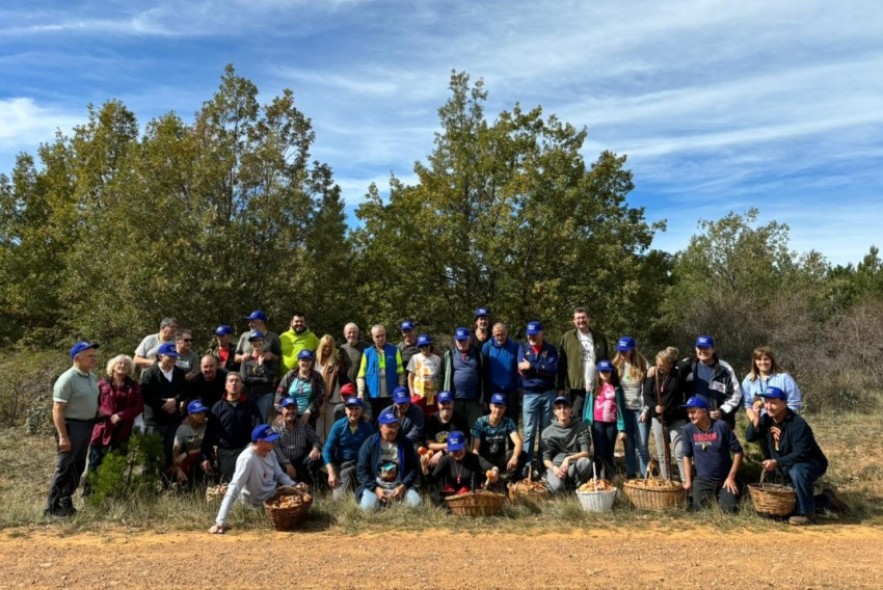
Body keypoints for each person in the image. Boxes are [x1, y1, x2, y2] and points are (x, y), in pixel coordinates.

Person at [745, 387, 844, 525]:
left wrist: (776, 462)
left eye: (773, 402)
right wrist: (756, 417)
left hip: (811, 462)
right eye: (766, 402)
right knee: (790, 508)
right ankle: (826, 500)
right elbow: (749, 437)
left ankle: (808, 515)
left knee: (797, 471)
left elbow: (801, 453)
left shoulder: (797, 424)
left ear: (784, 404)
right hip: (787, 464)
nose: (768, 406)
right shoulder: (766, 419)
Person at [209, 424, 297, 534]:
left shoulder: (270, 452)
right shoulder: (247, 458)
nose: (273, 442)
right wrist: (220, 522)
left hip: (273, 498)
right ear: (260, 441)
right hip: (252, 505)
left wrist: (295, 486)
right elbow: (234, 487)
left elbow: (280, 474)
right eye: (270, 440)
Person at [45, 341, 100, 518]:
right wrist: (63, 437)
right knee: (64, 467)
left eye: (94, 355)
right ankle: (51, 509)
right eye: (90, 356)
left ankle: (65, 502)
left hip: (87, 426)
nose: (94, 358)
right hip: (70, 426)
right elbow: (57, 409)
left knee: (78, 466)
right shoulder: (67, 378)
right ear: (77, 358)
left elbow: (92, 403)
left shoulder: (91, 376)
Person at [680, 395, 743, 513]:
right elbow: (687, 457)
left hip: (724, 480)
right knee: (700, 511)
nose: (690, 416)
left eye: (693, 412)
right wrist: (688, 481)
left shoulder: (721, 426)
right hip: (702, 480)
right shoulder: (688, 430)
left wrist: (731, 477)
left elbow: (738, 452)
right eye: (688, 413)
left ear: (704, 411)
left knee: (730, 510)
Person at [87, 354, 143, 483]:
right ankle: (90, 493)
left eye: (126, 364)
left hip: (123, 429)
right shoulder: (101, 384)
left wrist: (120, 415)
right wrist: (102, 412)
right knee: (95, 461)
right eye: (120, 363)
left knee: (117, 461)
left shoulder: (134, 386)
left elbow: (139, 406)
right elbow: (92, 402)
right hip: (102, 429)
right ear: (113, 367)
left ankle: (112, 492)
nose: (123, 366)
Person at [140, 342, 188, 479]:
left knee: (169, 453)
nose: (173, 359)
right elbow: (146, 396)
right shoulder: (149, 374)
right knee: (151, 454)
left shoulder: (179, 372)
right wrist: (164, 404)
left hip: (173, 420)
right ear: (160, 356)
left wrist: (175, 401)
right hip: (154, 421)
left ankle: (166, 482)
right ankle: (148, 484)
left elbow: (184, 391)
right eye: (170, 356)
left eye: (175, 356)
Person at [356, 411, 422, 511]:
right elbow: (361, 472)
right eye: (390, 426)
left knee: (416, 505)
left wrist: (403, 486)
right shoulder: (369, 444)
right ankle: (380, 503)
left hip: (399, 487)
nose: (394, 430)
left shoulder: (406, 443)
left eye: (396, 426)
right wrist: (375, 488)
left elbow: (413, 469)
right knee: (367, 508)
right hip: (375, 488)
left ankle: (390, 503)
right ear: (380, 426)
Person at [204, 372, 264, 482]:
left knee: (247, 482)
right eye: (231, 381)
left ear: (242, 385)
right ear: (225, 386)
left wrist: (256, 446)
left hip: (246, 450)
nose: (234, 383)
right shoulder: (218, 407)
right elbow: (209, 434)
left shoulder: (250, 404)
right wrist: (205, 457)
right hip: (225, 453)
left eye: (237, 381)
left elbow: (258, 425)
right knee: (226, 484)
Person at [517, 320, 559, 474]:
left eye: (535, 334)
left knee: (546, 431)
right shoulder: (523, 348)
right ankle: (527, 466)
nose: (532, 337)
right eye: (529, 335)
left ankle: (544, 465)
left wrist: (533, 366)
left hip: (548, 393)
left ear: (542, 333)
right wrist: (540, 368)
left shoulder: (551, 349)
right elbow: (523, 372)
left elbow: (552, 370)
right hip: (530, 394)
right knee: (529, 431)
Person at [679, 335, 741, 430]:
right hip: (692, 422)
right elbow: (668, 373)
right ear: (696, 349)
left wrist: (721, 411)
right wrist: (655, 369)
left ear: (713, 349)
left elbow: (736, 395)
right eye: (700, 347)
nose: (702, 351)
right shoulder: (686, 365)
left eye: (706, 348)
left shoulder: (725, 368)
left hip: (718, 423)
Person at [643, 347, 686, 481]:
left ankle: (686, 483)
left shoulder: (678, 374)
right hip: (658, 419)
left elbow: (684, 364)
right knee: (662, 454)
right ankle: (668, 482)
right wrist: (654, 407)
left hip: (677, 418)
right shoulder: (653, 374)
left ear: (671, 364)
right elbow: (647, 394)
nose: (659, 367)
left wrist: (672, 356)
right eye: (657, 364)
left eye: (663, 364)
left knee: (679, 452)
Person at [558, 307, 609, 419]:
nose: (581, 320)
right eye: (578, 318)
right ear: (574, 321)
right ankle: (581, 437)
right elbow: (561, 364)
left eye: (583, 317)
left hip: (597, 386)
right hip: (576, 387)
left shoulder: (600, 337)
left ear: (588, 319)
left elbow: (606, 361)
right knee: (577, 419)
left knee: (597, 419)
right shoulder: (567, 337)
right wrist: (560, 387)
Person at [422, 431, 501, 504]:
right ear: (449, 450)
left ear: (464, 445)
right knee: (435, 496)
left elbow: (492, 467)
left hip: (470, 495)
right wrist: (424, 467)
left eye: (459, 449)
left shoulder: (474, 458)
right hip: (451, 496)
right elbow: (432, 481)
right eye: (454, 450)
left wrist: (495, 472)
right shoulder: (445, 460)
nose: (457, 453)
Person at [323, 397, 376, 500]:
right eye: (350, 408)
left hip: (363, 464)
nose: (354, 412)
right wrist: (331, 472)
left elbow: (375, 447)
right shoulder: (338, 426)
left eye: (357, 408)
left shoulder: (367, 426)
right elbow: (327, 450)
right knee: (338, 499)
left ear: (362, 410)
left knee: (368, 494)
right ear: (346, 410)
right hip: (345, 464)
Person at [612, 336, 650, 478]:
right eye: (620, 351)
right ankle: (631, 475)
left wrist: (646, 410)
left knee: (642, 446)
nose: (622, 353)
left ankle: (645, 477)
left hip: (639, 410)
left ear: (632, 350)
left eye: (625, 351)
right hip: (624, 411)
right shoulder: (615, 366)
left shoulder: (643, 365)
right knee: (628, 445)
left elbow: (649, 390)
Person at [584, 360, 626, 479]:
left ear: (612, 372)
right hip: (597, 423)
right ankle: (597, 476)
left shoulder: (616, 388)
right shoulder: (594, 386)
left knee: (609, 451)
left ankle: (608, 477)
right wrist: (586, 419)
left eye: (607, 371)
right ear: (598, 372)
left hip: (612, 423)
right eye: (602, 371)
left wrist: (622, 427)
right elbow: (588, 403)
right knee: (599, 451)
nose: (605, 373)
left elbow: (620, 408)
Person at [541, 396, 592, 492]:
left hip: (574, 465)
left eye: (565, 407)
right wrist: (554, 468)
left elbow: (586, 452)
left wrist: (568, 459)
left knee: (585, 462)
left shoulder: (581, 426)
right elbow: (546, 459)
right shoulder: (547, 432)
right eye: (559, 408)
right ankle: (553, 481)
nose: (562, 410)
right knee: (557, 487)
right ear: (554, 412)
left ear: (570, 410)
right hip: (556, 467)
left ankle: (577, 489)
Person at [471, 393, 526, 481]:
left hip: (500, 457)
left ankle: (509, 482)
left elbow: (518, 442)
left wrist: (515, 457)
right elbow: (475, 449)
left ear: (505, 409)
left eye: (501, 407)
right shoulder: (480, 422)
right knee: (473, 459)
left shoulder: (508, 422)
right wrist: (481, 464)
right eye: (495, 406)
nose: (498, 410)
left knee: (521, 454)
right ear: (490, 406)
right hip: (485, 459)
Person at [742, 345, 803, 422]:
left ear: (772, 360)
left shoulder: (784, 378)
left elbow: (794, 403)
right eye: (759, 359)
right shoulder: (748, 380)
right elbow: (747, 405)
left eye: (766, 359)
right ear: (754, 361)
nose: (763, 362)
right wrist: (755, 424)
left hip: (782, 423)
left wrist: (781, 422)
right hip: (760, 424)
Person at [357, 324, 406, 419]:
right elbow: (361, 375)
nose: (381, 338)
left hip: (391, 395)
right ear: (373, 337)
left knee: (391, 420)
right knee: (374, 421)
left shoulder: (395, 351)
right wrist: (360, 392)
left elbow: (401, 373)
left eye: (382, 335)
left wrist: (401, 389)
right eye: (377, 336)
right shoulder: (367, 353)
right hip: (373, 396)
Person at [272, 397, 322, 487]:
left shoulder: (303, 424)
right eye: (288, 408)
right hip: (284, 461)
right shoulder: (276, 426)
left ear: (297, 409)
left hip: (300, 459)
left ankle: (313, 485)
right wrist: (287, 464)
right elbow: (276, 447)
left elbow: (315, 438)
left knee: (317, 458)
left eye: (293, 408)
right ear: (282, 410)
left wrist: (315, 448)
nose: (291, 411)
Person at [442, 327, 484, 428]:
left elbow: (484, 376)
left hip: (474, 400)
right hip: (454, 400)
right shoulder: (449, 355)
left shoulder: (479, 354)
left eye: (464, 340)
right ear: (455, 340)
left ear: (469, 339)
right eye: (459, 340)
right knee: (456, 429)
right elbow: (441, 375)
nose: (462, 342)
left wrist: (483, 398)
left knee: (475, 430)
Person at [276, 349, 325, 428]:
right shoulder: (290, 375)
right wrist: (281, 412)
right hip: (289, 415)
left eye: (308, 360)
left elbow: (320, 396)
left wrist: (308, 412)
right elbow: (279, 395)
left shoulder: (317, 377)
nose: (306, 363)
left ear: (312, 362)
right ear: (298, 361)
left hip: (309, 417)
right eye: (303, 360)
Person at [482, 322, 521, 422]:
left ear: (507, 332)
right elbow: (483, 370)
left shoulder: (515, 346)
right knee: (495, 421)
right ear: (493, 334)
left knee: (512, 422)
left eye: (502, 334)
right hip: (493, 392)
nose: (500, 337)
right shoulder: (487, 347)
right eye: (497, 335)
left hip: (511, 392)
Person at [239, 330, 279, 422]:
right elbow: (244, 379)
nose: (256, 343)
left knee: (261, 421)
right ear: (251, 343)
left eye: (259, 340)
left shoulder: (268, 359)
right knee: (248, 421)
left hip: (265, 395)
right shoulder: (246, 359)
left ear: (263, 342)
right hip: (249, 394)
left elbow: (269, 379)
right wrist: (262, 378)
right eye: (254, 341)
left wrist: (261, 366)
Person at [423, 391, 469, 468]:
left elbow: (464, 443)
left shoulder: (461, 420)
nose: (446, 406)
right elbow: (430, 445)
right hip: (435, 455)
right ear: (438, 405)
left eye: (448, 403)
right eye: (443, 403)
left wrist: (443, 452)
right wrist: (450, 445)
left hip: (456, 454)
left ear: (453, 404)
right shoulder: (431, 419)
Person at [172, 400, 212, 487]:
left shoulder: (209, 424)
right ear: (190, 414)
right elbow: (175, 453)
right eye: (197, 413)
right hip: (189, 459)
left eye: (202, 412)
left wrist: (188, 453)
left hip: (205, 456)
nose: (201, 416)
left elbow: (212, 446)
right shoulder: (182, 428)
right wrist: (178, 470)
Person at [314, 334, 346, 442]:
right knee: (318, 424)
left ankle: (329, 449)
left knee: (330, 424)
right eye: (325, 346)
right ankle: (319, 449)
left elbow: (342, 377)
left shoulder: (336, 359)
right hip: (317, 396)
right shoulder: (315, 359)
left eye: (330, 346)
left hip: (332, 396)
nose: (327, 348)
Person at [407, 333, 443, 415]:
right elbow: (410, 377)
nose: (424, 348)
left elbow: (441, 376)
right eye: (421, 346)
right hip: (418, 394)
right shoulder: (415, 358)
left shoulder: (437, 359)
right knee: (418, 416)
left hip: (432, 395)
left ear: (430, 345)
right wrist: (412, 393)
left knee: (432, 417)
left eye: (426, 345)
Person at [279, 312, 319, 376]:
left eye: (302, 321)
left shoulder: (312, 337)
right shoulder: (283, 337)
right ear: (291, 322)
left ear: (305, 323)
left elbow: (325, 348)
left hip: (304, 378)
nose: (299, 323)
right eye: (296, 321)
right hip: (283, 377)